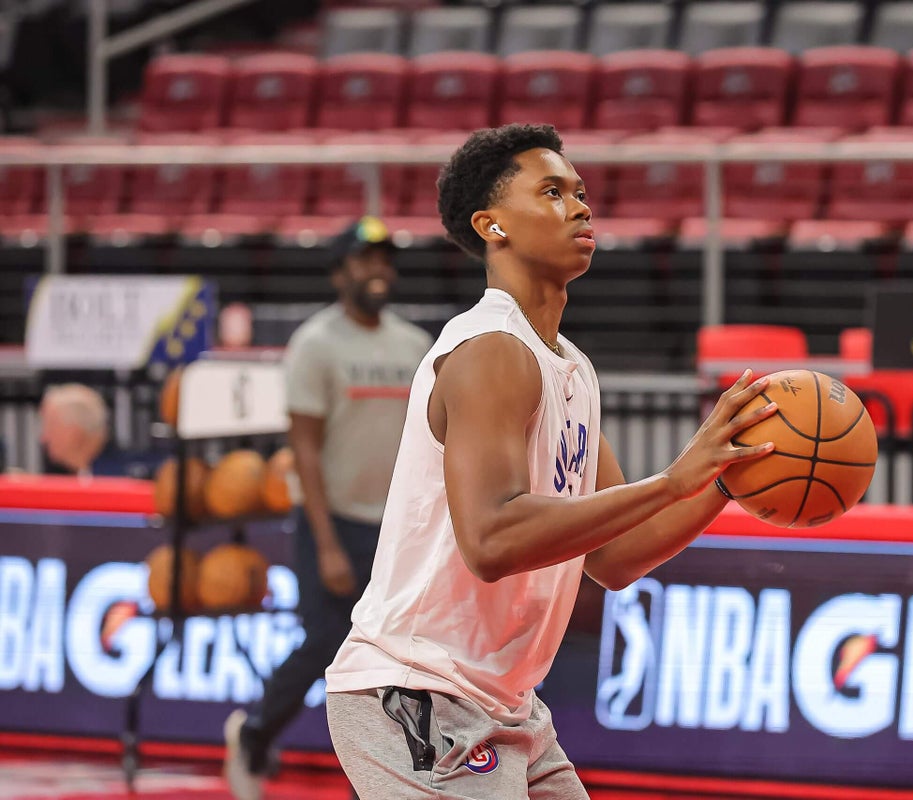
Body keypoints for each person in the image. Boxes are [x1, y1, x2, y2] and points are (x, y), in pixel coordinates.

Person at [323, 123, 778, 799]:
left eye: (582, 193)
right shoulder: (489, 349)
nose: (580, 207)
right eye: (553, 192)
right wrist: (671, 481)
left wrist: (725, 481)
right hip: (420, 691)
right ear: (493, 226)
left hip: (508, 704)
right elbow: (492, 540)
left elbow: (615, 557)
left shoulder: (570, 366)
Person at [223, 216, 434, 800]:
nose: (378, 270)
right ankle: (254, 734)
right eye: (365, 261)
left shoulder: (415, 345)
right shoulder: (316, 344)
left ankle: (378, 780)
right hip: (334, 521)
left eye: (385, 260)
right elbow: (305, 450)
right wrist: (326, 543)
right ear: (340, 273)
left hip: (396, 531)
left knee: (397, 662)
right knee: (325, 645)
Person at [39, 383, 109, 476]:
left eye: (51, 427)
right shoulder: (59, 475)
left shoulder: (117, 478)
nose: (44, 438)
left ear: (74, 431)